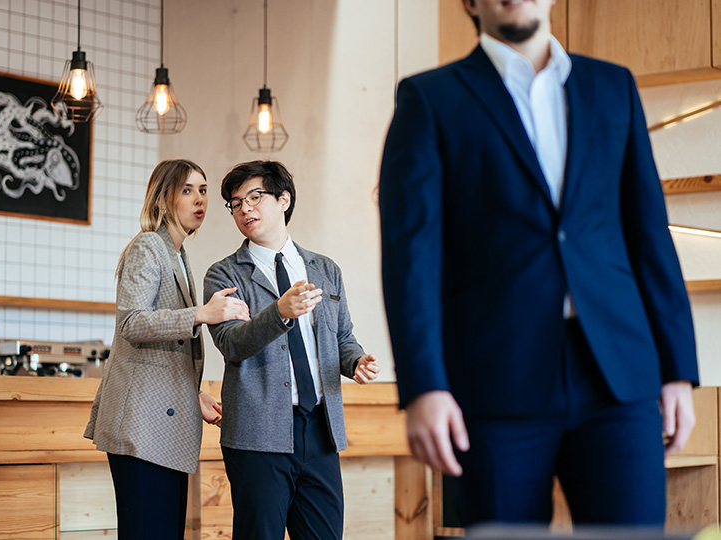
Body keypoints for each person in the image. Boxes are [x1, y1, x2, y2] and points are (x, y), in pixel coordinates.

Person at [378, 0, 700, 528]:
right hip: (494, 381)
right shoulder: (430, 99)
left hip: (618, 376)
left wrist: (677, 369)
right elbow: (411, 256)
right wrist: (424, 386)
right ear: (470, 3)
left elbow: (648, 236)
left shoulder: (613, 86)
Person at [203, 160, 380, 540]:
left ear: (283, 200)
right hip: (257, 433)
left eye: (255, 197)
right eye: (235, 203)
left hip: (320, 428)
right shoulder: (225, 274)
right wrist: (279, 313)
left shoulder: (325, 269)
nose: (245, 209)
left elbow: (342, 337)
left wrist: (356, 361)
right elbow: (232, 345)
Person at [84, 159, 250, 540]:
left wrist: (193, 393)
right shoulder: (148, 247)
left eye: (204, 190)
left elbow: (161, 352)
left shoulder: (176, 254)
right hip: (142, 430)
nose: (199, 200)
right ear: (163, 199)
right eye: (188, 190)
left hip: (161, 427)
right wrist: (202, 313)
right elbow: (132, 323)